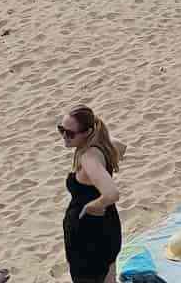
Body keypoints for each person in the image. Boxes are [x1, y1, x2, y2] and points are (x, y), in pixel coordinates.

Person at [59, 105, 125, 283]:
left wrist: (92, 205)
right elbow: (121, 147)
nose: (64, 136)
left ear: (87, 132)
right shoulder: (103, 146)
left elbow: (111, 193)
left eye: (70, 133)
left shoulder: (89, 158)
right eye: (61, 130)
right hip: (108, 227)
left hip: (90, 239)